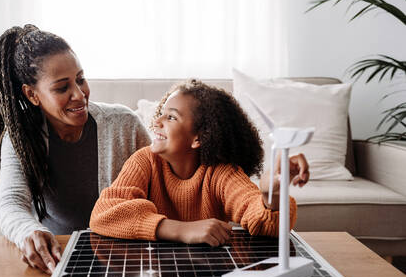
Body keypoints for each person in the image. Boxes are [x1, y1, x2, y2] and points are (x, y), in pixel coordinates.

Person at [0, 24, 151, 274]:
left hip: (125, 255)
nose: (79, 94)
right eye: (62, 88)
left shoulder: (125, 124)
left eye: (81, 79)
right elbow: (11, 202)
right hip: (59, 259)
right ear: (32, 94)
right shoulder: (22, 137)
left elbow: (162, 185)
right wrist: (29, 232)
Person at [90, 79, 309, 246]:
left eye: (171, 117)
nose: (156, 121)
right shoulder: (144, 160)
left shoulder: (221, 173)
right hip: (154, 273)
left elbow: (264, 222)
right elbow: (102, 214)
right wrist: (181, 230)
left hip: (211, 275)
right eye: (161, 113)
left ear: (199, 138)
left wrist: (271, 194)